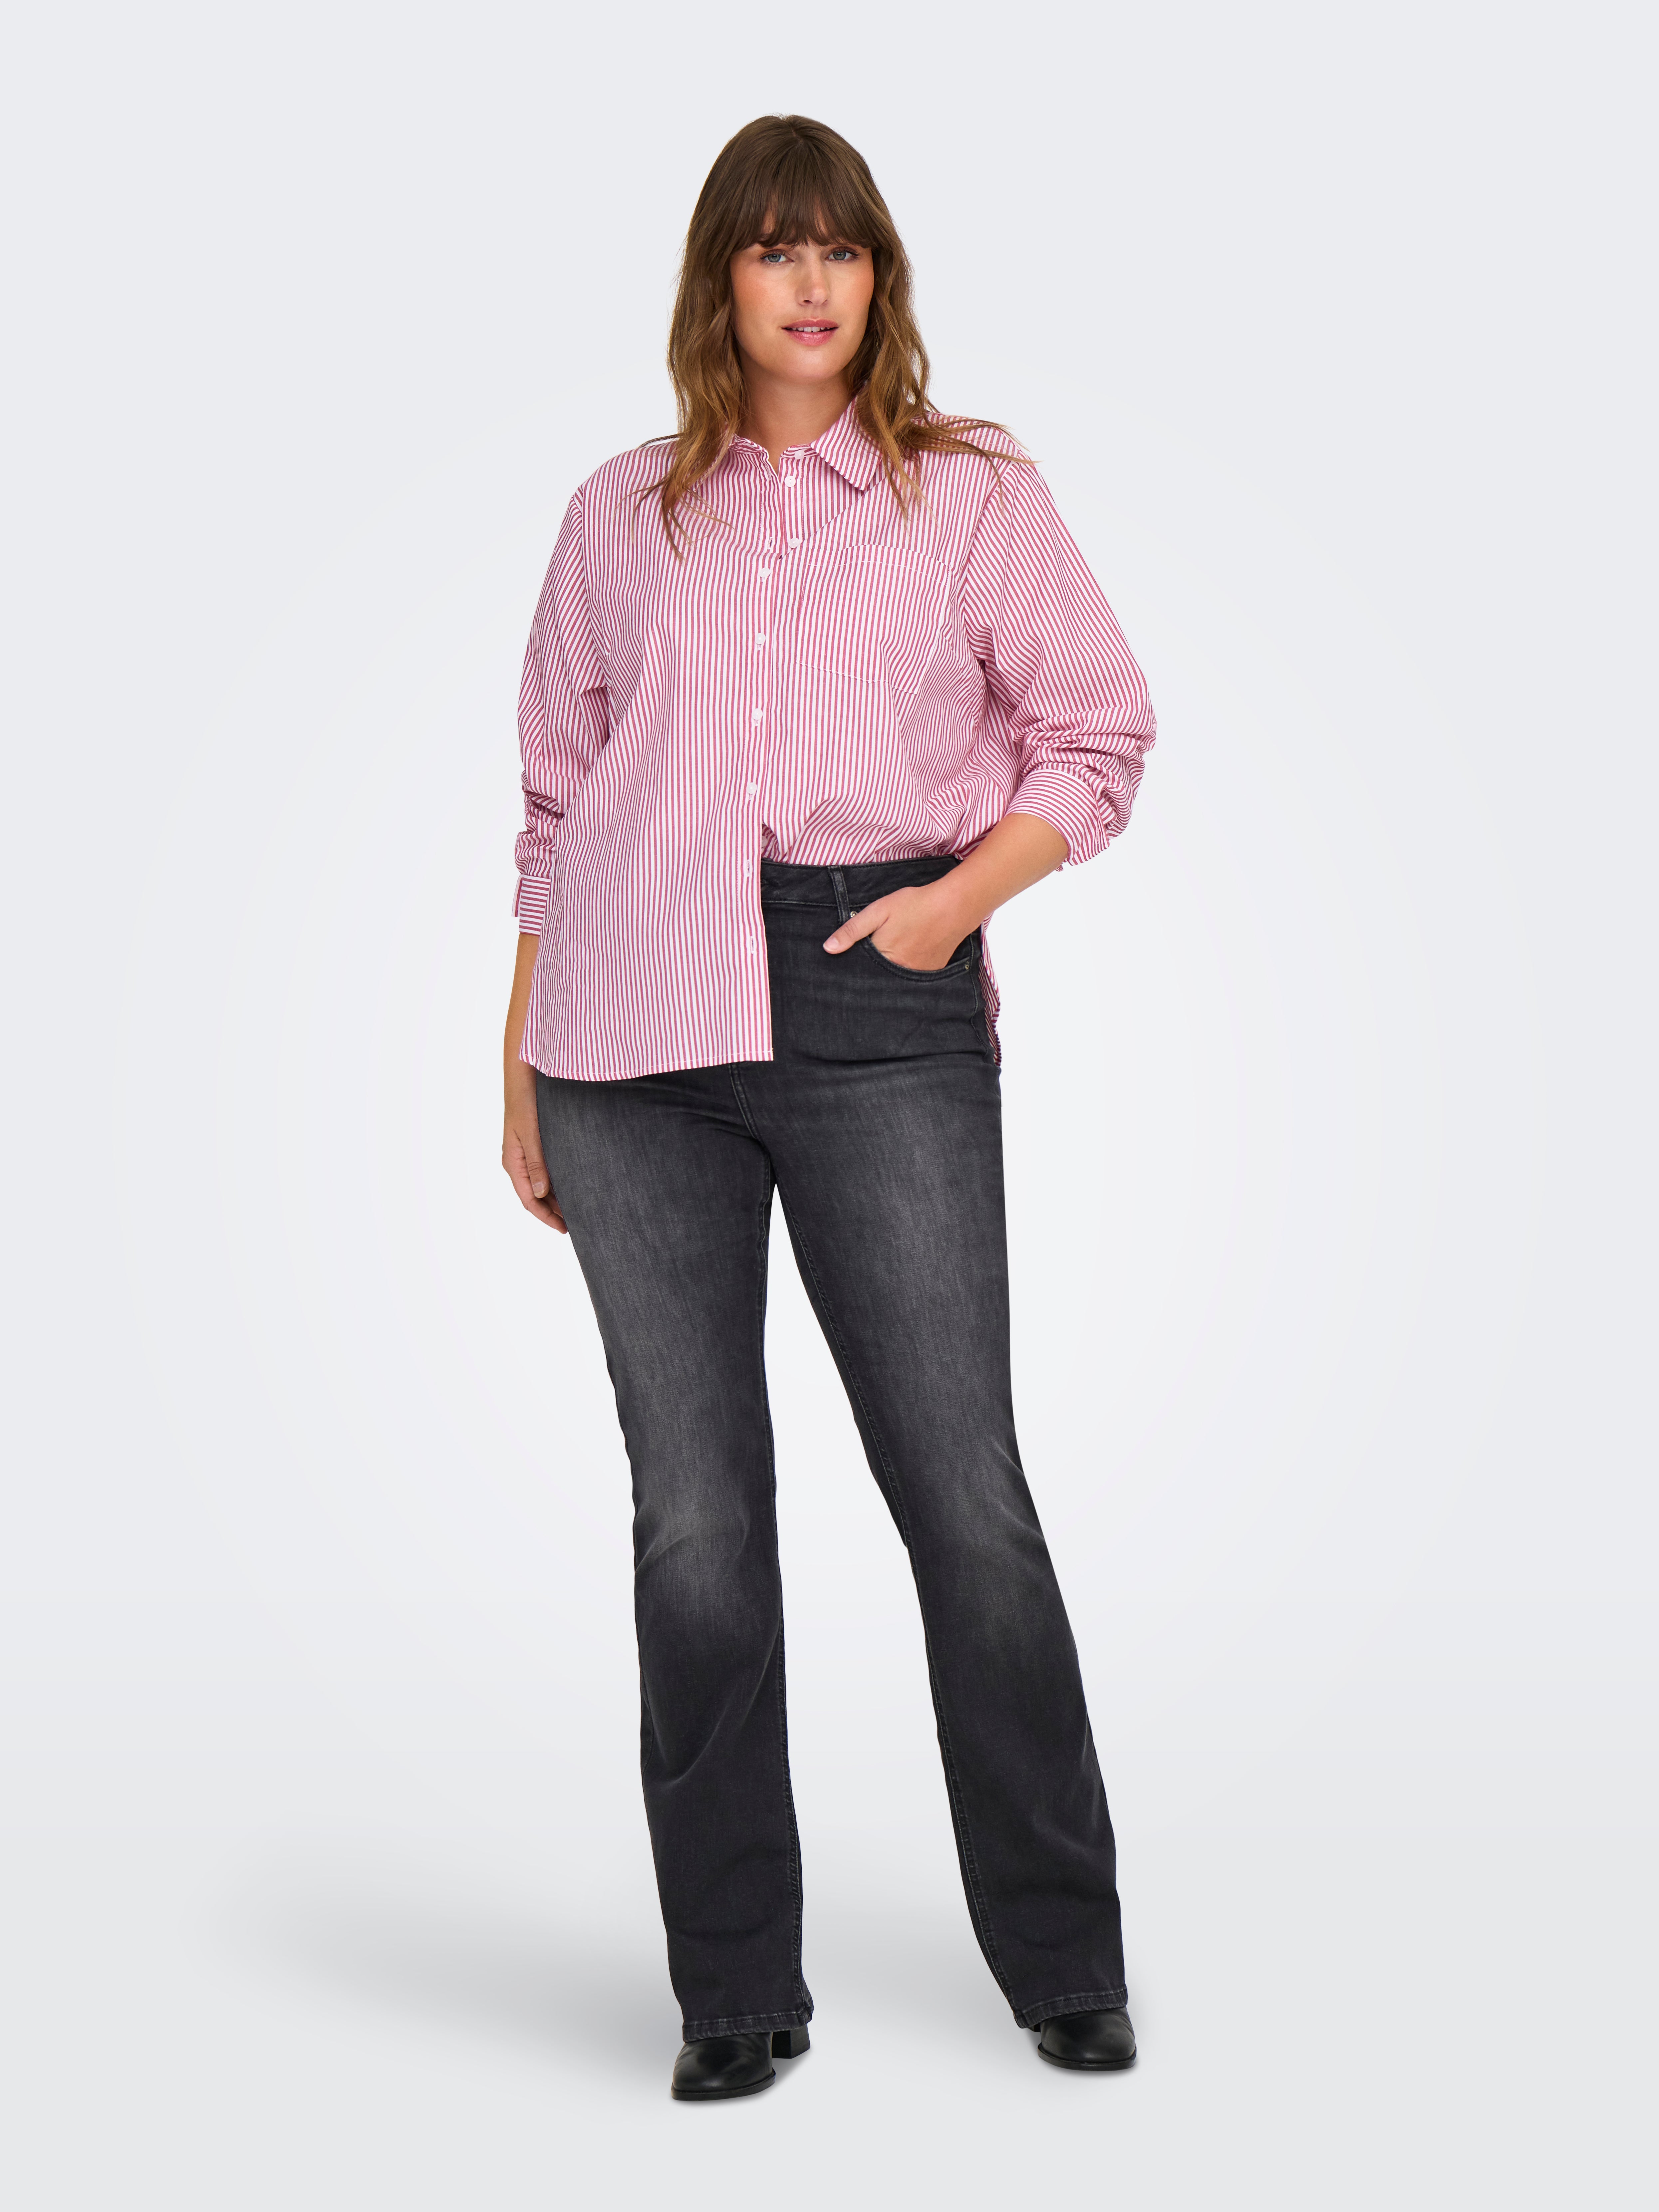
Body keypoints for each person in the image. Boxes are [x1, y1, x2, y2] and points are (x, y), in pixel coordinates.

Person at [501, 114, 1156, 2101]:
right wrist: (519, 1061)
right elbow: (554, 799)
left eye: (841, 250)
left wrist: (951, 906)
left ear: (880, 278)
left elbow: (1097, 730)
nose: (809, 284)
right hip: (629, 1028)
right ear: (719, 280)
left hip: (878, 987)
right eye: (773, 249)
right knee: (696, 1524)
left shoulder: (971, 491)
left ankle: (1063, 1955)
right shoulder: (621, 513)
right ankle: (736, 1991)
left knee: (964, 1495)